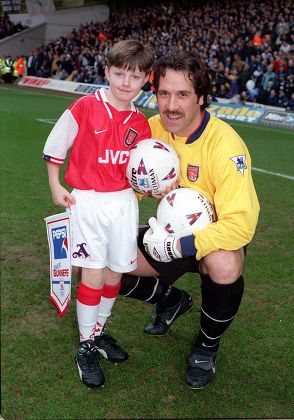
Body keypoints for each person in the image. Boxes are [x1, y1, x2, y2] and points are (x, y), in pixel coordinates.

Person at [120, 50, 260, 389]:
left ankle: (205, 348)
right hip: (165, 234)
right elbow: (129, 187)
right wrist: (141, 188)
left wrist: (182, 245)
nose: (171, 105)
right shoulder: (151, 129)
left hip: (209, 241)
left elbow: (240, 224)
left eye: (182, 94)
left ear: (200, 97)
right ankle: (170, 300)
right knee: (93, 260)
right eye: (164, 93)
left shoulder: (225, 145)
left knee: (225, 266)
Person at [43, 39, 154, 387]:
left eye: (133, 77)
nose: (125, 82)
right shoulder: (85, 107)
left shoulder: (141, 122)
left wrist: (150, 184)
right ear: (106, 71)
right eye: (119, 73)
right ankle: (85, 345)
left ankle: (99, 332)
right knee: (92, 274)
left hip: (122, 203)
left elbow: (140, 170)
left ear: (145, 80)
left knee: (113, 275)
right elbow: (55, 146)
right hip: (87, 202)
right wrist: (56, 186)